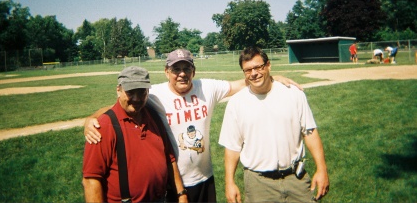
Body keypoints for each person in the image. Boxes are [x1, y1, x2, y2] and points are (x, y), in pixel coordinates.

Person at [84, 48, 301, 203]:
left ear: (193, 71)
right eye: (175, 69)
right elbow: (122, 105)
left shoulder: (207, 87)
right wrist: (90, 119)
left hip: (205, 178)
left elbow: (241, 84)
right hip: (174, 183)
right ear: (167, 72)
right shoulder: (155, 94)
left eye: (186, 68)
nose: (181, 74)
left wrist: (271, 78)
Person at [219, 46, 330, 203]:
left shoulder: (293, 93)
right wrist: (229, 183)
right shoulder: (236, 103)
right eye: (248, 70)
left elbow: (310, 132)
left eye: (258, 67)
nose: (254, 73)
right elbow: (232, 147)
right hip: (258, 183)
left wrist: (322, 169)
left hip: (296, 179)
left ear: (268, 65)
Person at [82, 66, 188, 203]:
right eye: (131, 92)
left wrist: (181, 194)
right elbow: (91, 180)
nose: (137, 99)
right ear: (118, 90)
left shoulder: (153, 116)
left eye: (142, 92)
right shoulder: (103, 126)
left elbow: (169, 158)